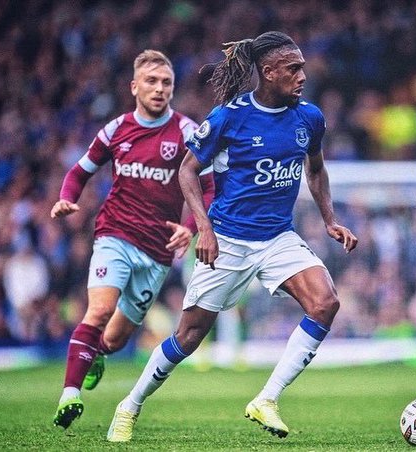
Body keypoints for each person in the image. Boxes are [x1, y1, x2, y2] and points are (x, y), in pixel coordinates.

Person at [106, 31, 358, 442]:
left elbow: (316, 168)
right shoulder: (229, 117)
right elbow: (187, 170)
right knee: (188, 337)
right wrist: (203, 229)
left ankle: (267, 399)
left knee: (325, 302)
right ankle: (130, 404)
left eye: (303, 68)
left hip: (278, 237)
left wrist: (329, 219)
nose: (302, 76)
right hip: (228, 240)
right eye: (293, 69)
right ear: (268, 71)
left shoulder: (309, 117)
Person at [51, 49, 214, 429]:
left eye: (167, 83)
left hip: (158, 251)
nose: (160, 89)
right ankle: (69, 395)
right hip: (115, 234)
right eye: (152, 82)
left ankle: (98, 353)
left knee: (116, 338)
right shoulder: (115, 130)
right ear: (135, 87)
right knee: (99, 310)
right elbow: (79, 171)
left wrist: (190, 226)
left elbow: (207, 187)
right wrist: (66, 198)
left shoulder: (188, 132)